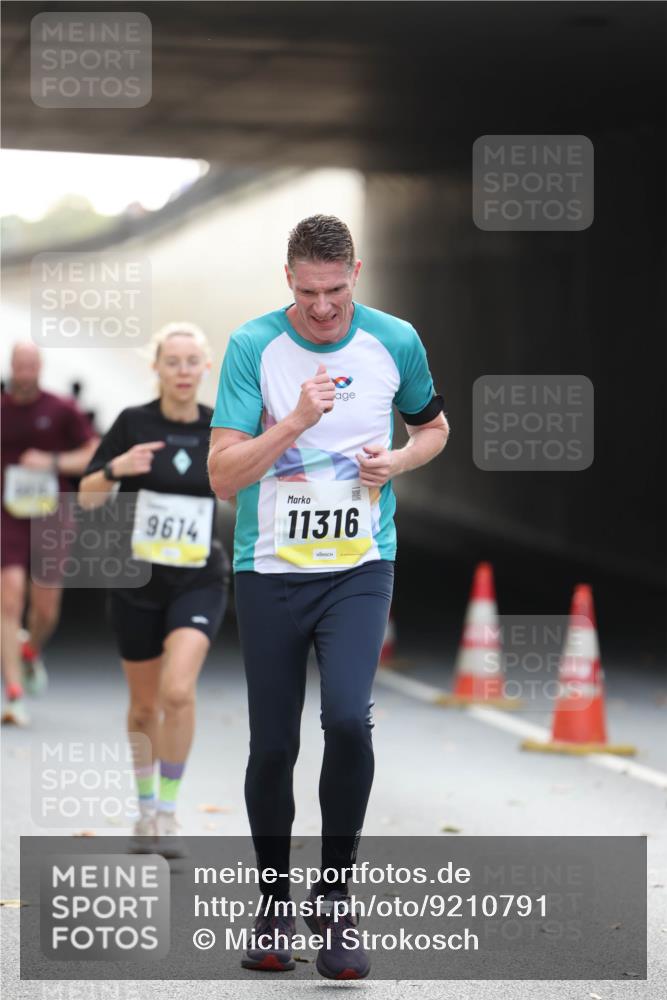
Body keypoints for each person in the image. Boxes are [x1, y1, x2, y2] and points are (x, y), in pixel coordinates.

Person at [208, 215, 449, 979]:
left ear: (356, 274)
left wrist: (400, 462)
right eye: (308, 292)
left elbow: (435, 427)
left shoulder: (394, 340)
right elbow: (223, 476)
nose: (322, 307)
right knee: (273, 744)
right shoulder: (253, 347)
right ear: (288, 278)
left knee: (347, 719)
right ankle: (275, 902)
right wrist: (297, 424)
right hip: (269, 569)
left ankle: (335, 902)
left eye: (336, 290)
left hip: (359, 565)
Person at [79, 323, 229, 855]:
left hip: (198, 579)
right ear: (157, 367)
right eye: (174, 361)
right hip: (137, 581)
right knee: (144, 707)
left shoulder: (220, 426)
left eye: (193, 361)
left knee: (177, 692)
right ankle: (144, 809)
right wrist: (116, 468)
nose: (184, 371)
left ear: (206, 366)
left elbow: (246, 482)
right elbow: (90, 497)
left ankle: (168, 811)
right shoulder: (133, 423)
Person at [1, 342, 99, 726]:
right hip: (7, 514)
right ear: (11, 367)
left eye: (31, 365)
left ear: (39, 367)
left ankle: (30, 651)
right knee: (8, 599)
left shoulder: (60, 409)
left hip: (50, 514)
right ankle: (13, 694)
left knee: (45, 607)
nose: (24, 372)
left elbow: (93, 451)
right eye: (18, 365)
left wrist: (53, 461)